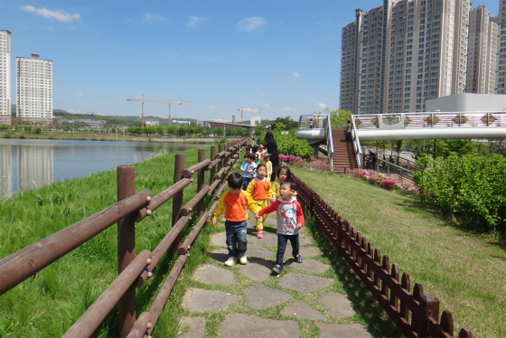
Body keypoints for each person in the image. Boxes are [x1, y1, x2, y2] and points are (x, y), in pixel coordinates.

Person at [255, 180, 304, 275]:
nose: (281, 191)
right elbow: (269, 208)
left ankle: (296, 253)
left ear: (292, 191)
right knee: (281, 249)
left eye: (284, 189)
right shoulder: (279, 202)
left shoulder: (295, 203)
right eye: (280, 189)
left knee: (295, 246)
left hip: (293, 231)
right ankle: (278, 265)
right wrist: (260, 213)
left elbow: (300, 215)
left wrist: (300, 223)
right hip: (281, 231)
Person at [213, 173, 260, 266]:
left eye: (238, 189)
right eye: (234, 190)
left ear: (242, 185)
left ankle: (242, 254)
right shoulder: (226, 196)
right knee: (230, 241)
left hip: (241, 223)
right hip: (230, 223)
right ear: (229, 186)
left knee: (242, 240)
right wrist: (215, 216)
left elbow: (251, 205)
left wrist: (256, 212)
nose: (236, 192)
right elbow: (220, 207)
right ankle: (233, 256)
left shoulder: (245, 195)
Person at [246, 164, 273, 239]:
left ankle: (259, 224)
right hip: (256, 202)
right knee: (259, 215)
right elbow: (249, 191)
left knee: (265, 215)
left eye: (264, 171)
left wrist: (270, 197)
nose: (262, 172)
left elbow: (270, 190)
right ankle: (259, 230)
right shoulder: (253, 182)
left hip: (265, 201)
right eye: (260, 170)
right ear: (257, 171)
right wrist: (247, 199)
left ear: (266, 172)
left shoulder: (267, 181)